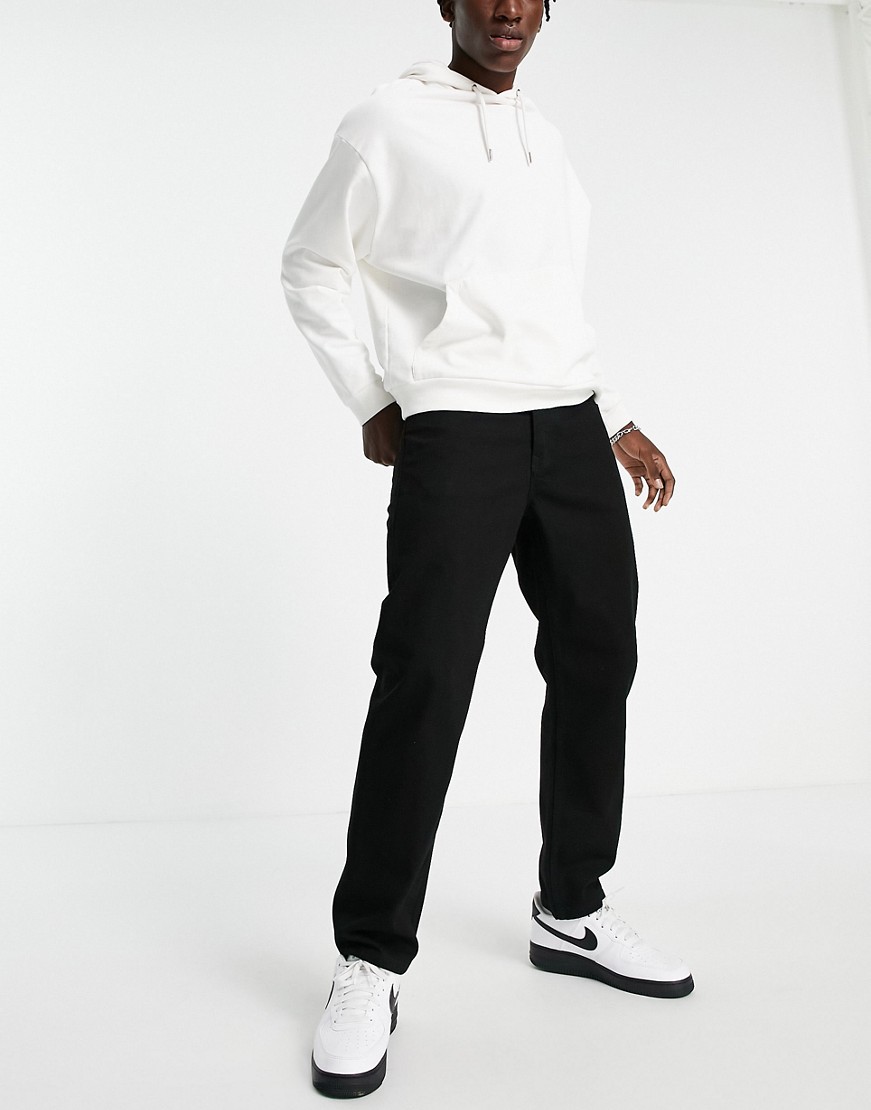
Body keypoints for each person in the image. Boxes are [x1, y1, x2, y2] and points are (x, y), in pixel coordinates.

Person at [281, 0, 693, 1098]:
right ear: (447, 4)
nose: (507, 8)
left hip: (567, 423)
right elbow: (310, 263)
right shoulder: (386, 121)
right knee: (425, 674)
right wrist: (370, 394)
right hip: (456, 425)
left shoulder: (544, 138)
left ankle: (572, 909)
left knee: (599, 654)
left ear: (547, 8)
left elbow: (545, 303)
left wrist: (611, 417)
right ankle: (370, 960)